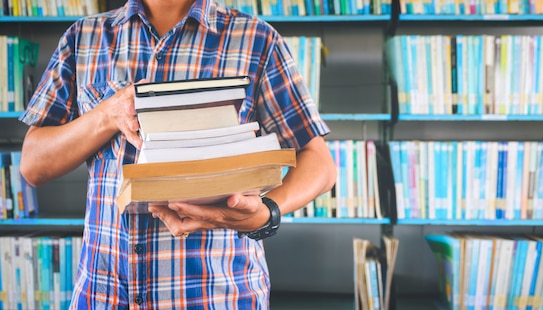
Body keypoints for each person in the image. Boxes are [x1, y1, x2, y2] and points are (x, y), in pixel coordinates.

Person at [18, 0, 336, 308]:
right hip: (104, 295)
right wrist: (107, 115)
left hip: (219, 296)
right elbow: (33, 164)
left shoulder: (257, 39)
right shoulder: (83, 38)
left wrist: (266, 214)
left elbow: (319, 162)